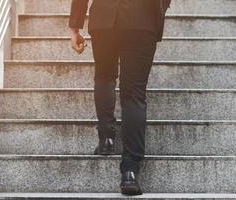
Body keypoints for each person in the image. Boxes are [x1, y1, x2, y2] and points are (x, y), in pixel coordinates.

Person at [69, 0, 170, 195]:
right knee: (133, 94)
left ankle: (106, 137)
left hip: (104, 18)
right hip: (142, 19)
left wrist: (75, 26)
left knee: (104, 77)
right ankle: (130, 171)